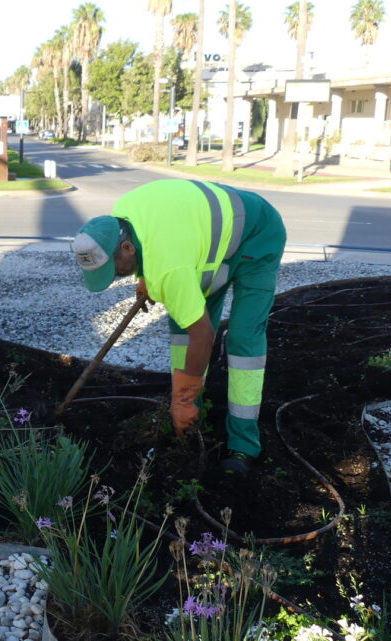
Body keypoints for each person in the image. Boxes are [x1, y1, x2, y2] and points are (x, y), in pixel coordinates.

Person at [72, 179, 287, 476]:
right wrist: (143, 274)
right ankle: (189, 422)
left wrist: (183, 399)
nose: (115, 277)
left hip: (257, 233)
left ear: (127, 247)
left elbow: (204, 335)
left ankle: (243, 443)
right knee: (182, 334)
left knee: (242, 339)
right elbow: (152, 239)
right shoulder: (119, 220)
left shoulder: (169, 268)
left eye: (115, 269)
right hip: (202, 246)